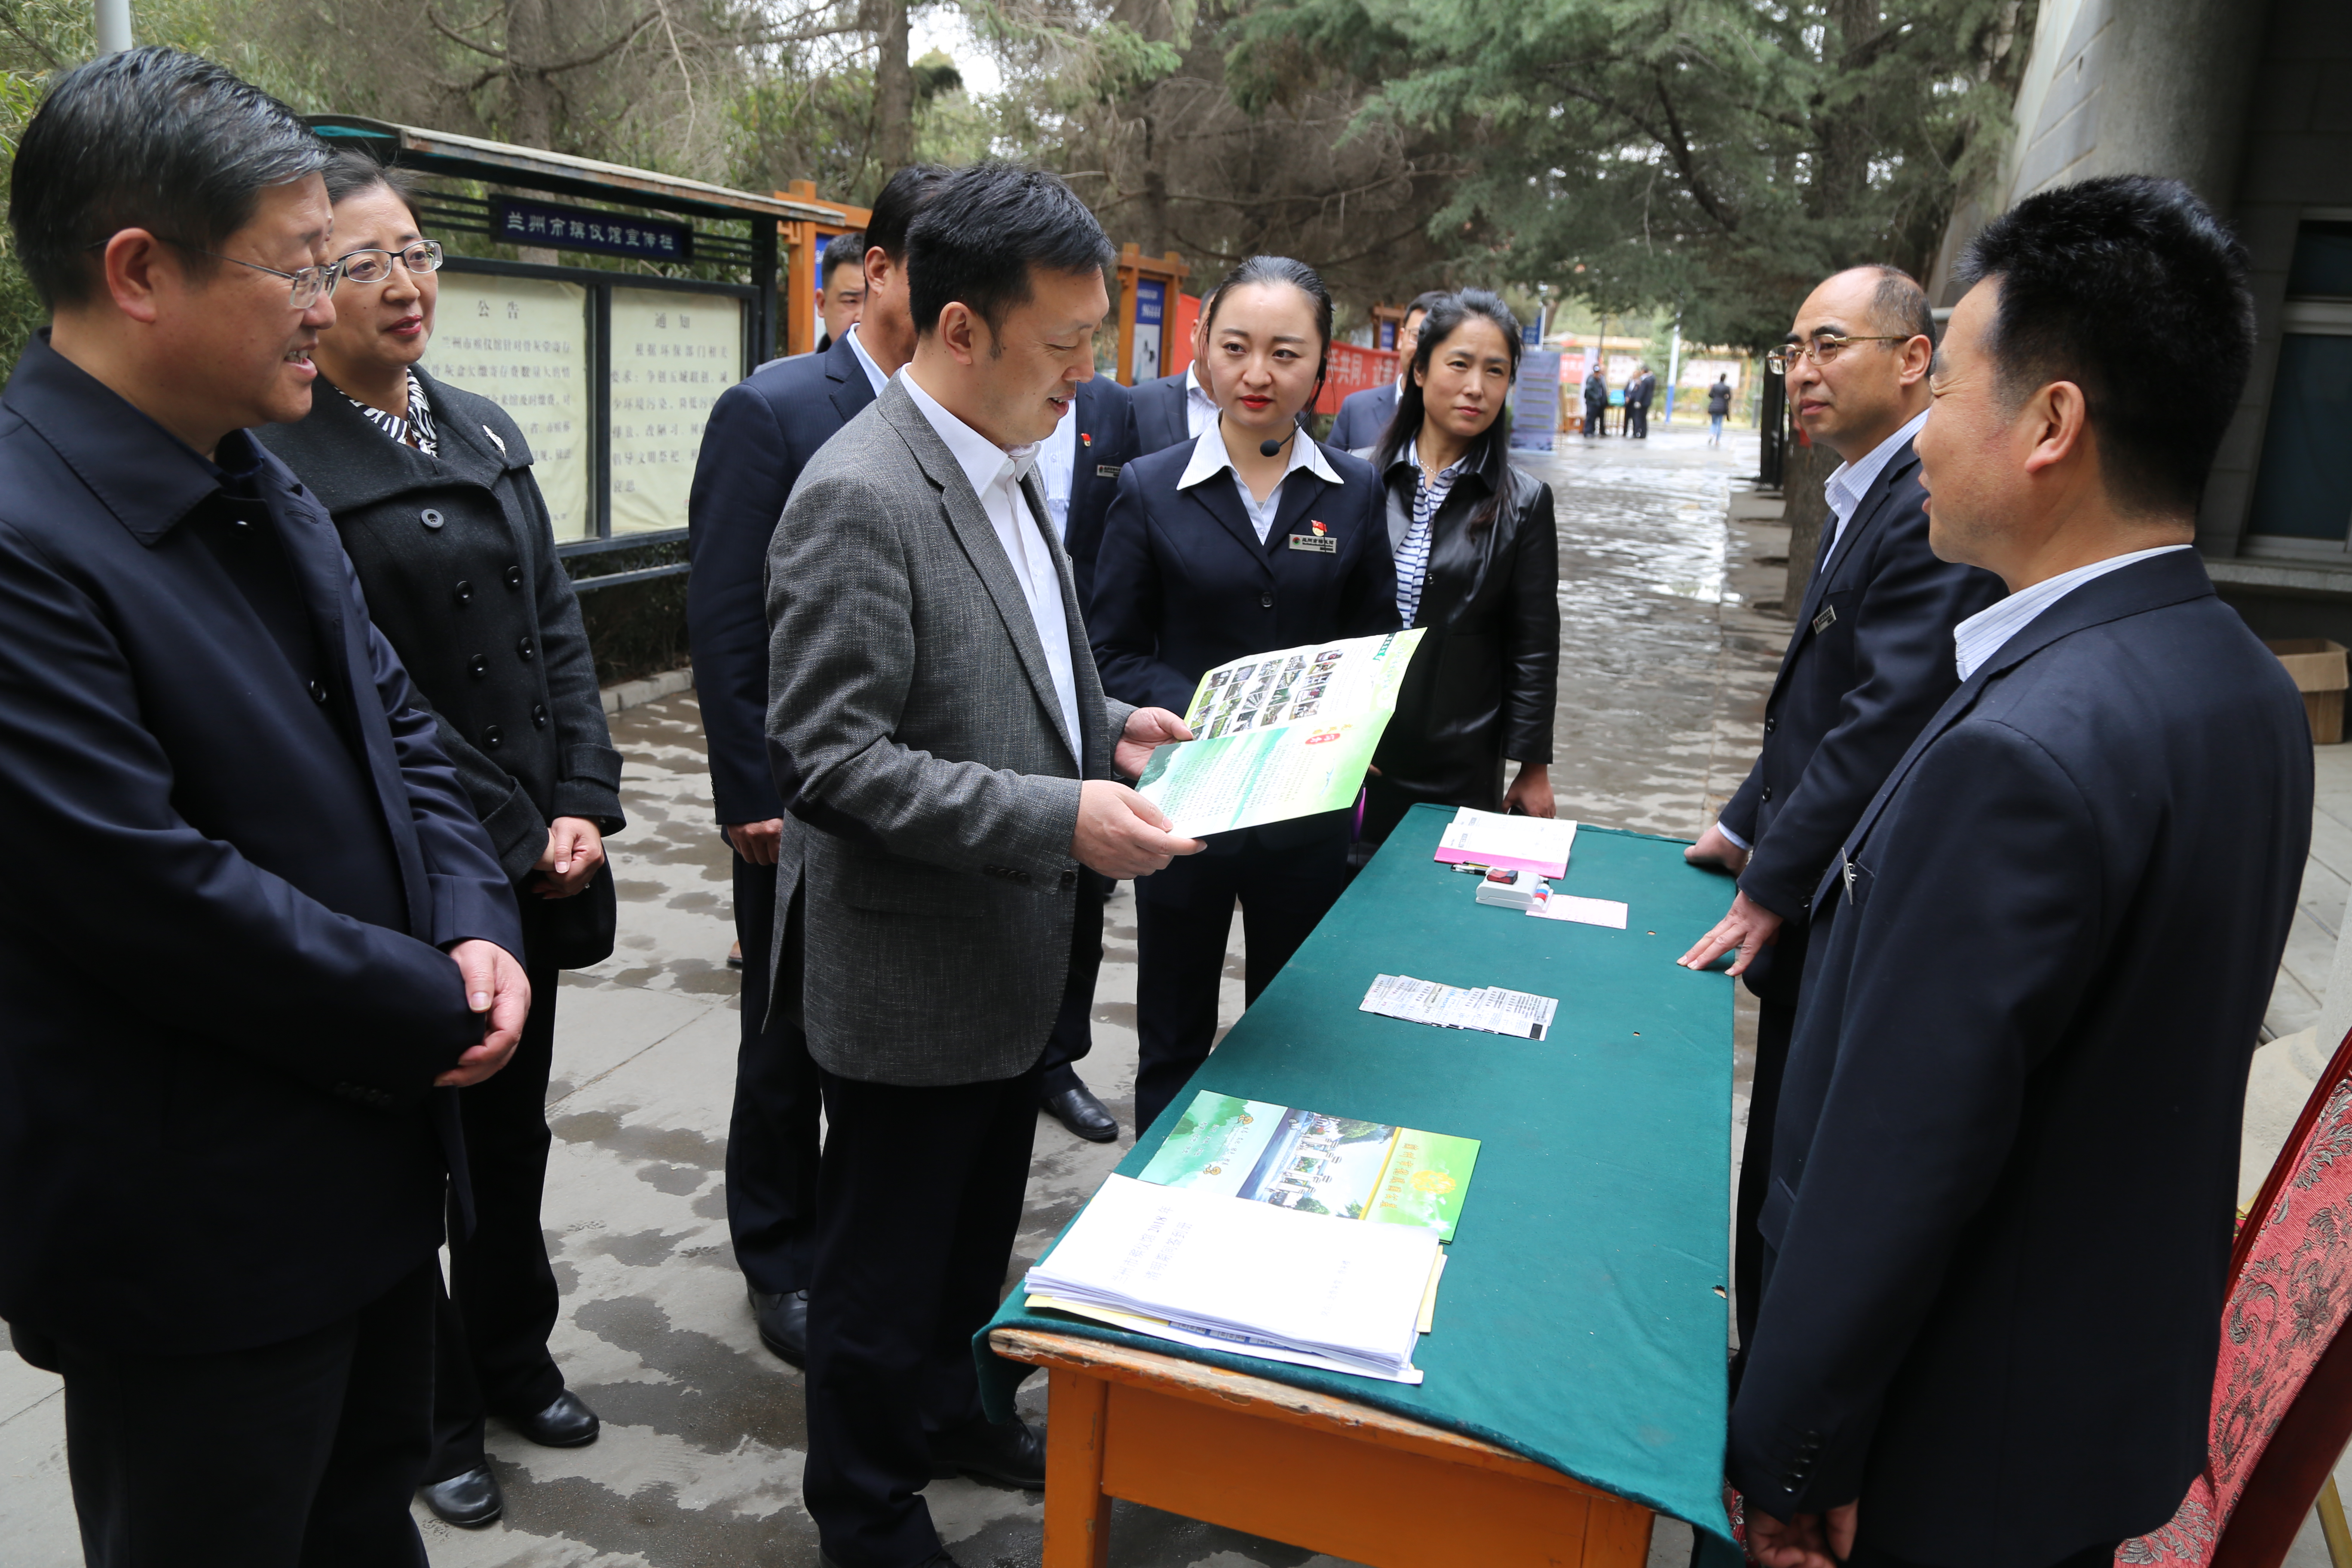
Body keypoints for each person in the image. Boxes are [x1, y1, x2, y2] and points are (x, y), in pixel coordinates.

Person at [1728, 176, 2311, 1568]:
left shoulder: (2026, 753)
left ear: (2051, 424)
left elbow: (1903, 1150)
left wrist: (1797, 1445)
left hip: (1952, 1444)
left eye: (1952, 390)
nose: (1922, 430)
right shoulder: (2243, 681)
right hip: (2089, 1410)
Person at [0, 48, 530, 1568]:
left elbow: (401, 729)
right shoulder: (29, 538)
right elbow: (150, 894)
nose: (333, 301)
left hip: (362, 1186)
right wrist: (426, 994)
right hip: (195, 1239)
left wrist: (476, 914)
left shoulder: (252, 470)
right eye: (302, 267)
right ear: (138, 269)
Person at [765, 161, 1200, 1568]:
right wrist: (1057, 815)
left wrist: (1110, 725)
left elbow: (1026, 661)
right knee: (881, 1272)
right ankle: (866, 1505)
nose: (1089, 373)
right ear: (960, 330)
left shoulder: (1009, 463)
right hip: (908, 977)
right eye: (1064, 344)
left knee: (966, 1244)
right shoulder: (862, 498)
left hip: (1008, 962)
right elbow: (830, 760)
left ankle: (951, 1411)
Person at [255, 151, 626, 1529]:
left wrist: (585, 796)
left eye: (418, 252)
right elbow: (363, 693)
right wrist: (521, 829)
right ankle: (432, 1416)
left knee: (514, 1136)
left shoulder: (474, 424)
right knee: (426, 1156)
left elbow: (558, 630)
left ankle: (515, 1352)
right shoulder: (288, 454)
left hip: (539, 854)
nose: (406, 283)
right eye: (366, 262)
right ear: (310, 287)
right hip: (411, 871)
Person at [1676, 263, 2002, 1380]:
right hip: (1805, 864)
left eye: (1830, 347)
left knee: (1801, 1162)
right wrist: (1740, 821)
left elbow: (1878, 717)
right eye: (1795, 352)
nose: (1802, 374)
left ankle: (1777, 1413)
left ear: (1916, 359)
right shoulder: (1865, 483)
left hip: (1847, 899)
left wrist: (1772, 881)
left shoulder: (1925, 501)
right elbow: (1815, 696)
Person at [686, 164, 949, 1372]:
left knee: (882, 1035)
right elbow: (728, 614)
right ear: (878, 272)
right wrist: (750, 789)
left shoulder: (963, 408)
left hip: (916, 791)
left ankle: (855, 1235)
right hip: (798, 799)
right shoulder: (781, 408)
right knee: (785, 1039)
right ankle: (777, 1252)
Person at [1090, 255, 1399, 1134]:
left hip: (1305, 808)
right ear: (1204, 350)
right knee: (1174, 1027)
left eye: (1285, 352)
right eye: (1237, 347)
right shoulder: (1151, 487)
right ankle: (1155, 1187)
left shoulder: (1353, 489)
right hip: (1185, 798)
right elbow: (1110, 649)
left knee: (1292, 1024)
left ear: (1321, 365)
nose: (1259, 374)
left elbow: (1374, 642)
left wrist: (1354, 714)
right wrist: (1219, 706)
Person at [1359, 290, 1559, 843]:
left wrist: (1533, 766)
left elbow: (1535, 643)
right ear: (1420, 370)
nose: (1477, 387)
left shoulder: (1524, 503)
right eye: (1460, 364)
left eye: (1496, 372)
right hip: (1356, 748)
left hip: (1461, 751)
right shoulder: (1356, 481)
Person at [1032, 356, 1141, 1142]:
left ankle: (1057, 1059)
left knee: (1083, 896)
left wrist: (1108, 714)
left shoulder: (1110, 406)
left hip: (1086, 670)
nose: (1076, 363)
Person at [1329, 290, 1446, 450]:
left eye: (1436, 341)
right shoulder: (1357, 409)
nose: (1424, 349)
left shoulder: (1459, 419)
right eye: (1418, 336)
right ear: (1401, 338)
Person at [1130, 300, 1219, 453]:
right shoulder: (1139, 402)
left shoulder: (1266, 408)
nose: (1220, 339)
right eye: (1213, 325)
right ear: (1194, 331)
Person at [815, 228, 866, 353]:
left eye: (873, 303)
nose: (862, 317)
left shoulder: (909, 373)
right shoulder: (780, 373)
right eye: (851, 301)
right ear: (822, 304)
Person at [1625, 362, 1654, 438]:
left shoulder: (1646, 380)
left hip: (1642, 402)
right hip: (1647, 402)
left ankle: (1640, 433)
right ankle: (1642, 433)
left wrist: (1638, 401)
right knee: (1643, 418)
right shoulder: (1651, 379)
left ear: (1643, 371)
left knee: (1640, 418)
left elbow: (1642, 392)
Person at [1581, 358, 1608, 437]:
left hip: (1596, 403)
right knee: (1590, 418)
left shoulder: (1599, 380)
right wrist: (1596, 397)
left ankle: (1591, 431)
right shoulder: (1591, 380)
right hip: (1592, 402)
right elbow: (1588, 390)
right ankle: (1587, 432)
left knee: (1593, 418)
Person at [1707, 374, 1732, 445]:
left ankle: (1712, 434)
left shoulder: (1715, 387)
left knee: (1714, 423)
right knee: (1720, 424)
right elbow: (1730, 398)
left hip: (1714, 406)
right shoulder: (1727, 388)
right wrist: (1725, 398)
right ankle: (1717, 441)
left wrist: (1716, 397)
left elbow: (1710, 395)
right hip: (1722, 407)